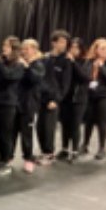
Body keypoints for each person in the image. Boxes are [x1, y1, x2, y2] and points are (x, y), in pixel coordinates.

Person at [0, 36, 24, 177]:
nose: (3, 47)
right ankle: (1, 159)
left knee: (5, 134)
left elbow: (9, 76)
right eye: (3, 44)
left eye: (7, 45)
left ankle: (6, 161)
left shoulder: (19, 65)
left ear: (14, 49)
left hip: (8, 103)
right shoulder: (1, 63)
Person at [36, 30, 72, 166]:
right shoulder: (45, 59)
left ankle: (49, 153)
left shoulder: (66, 61)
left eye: (65, 42)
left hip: (53, 100)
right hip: (41, 98)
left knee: (49, 127)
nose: (64, 45)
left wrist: (56, 100)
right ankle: (43, 151)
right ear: (54, 43)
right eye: (61, 42)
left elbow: (65, 84)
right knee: (40, 127)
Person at [81, 38, 106, 160]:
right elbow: (84, 76)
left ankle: (102, 148)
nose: (105, 51)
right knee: (88, 120)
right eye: (102, 48)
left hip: (104, 95)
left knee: (102, 121)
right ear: (96, 49)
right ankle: (84, 144)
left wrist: (102, 67)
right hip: (90, 94)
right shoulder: (89, 61)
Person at [11, 39, 45, 174]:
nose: (23, 51)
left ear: (34, 50)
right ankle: (8, 158)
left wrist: (26, 67)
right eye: (23, 49)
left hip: (29, 105)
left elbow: (35, 79)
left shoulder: (39, 65)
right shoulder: (18, 64)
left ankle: (28, 159)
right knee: (11, 132)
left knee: (27, 134)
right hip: (15, 102)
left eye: (26, 49)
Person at [57, 38, 90, 163]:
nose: (73, 50)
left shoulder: (86, 62)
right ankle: (65, 148)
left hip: (79, 98)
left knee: (75, 124)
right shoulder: (64, 60)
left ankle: (75, 150)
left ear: (81, 49)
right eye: (71, 47)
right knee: (65, 124)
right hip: (65, 97)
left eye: (76, 47)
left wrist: (73, 62)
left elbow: (84, 78)